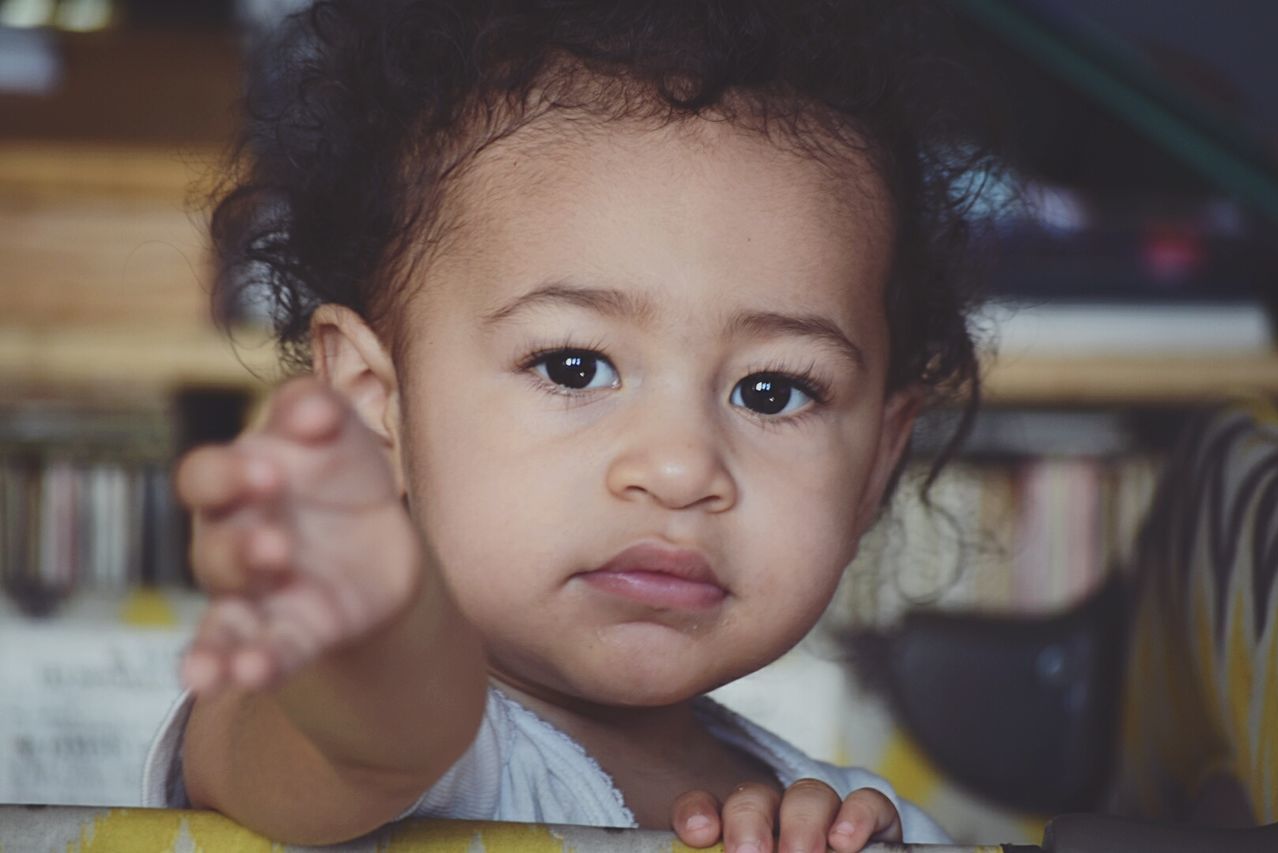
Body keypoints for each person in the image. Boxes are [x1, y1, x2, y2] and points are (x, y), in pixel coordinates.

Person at [143, 1, 992, 850]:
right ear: (373, 404)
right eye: (574, 366)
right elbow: (313, 747)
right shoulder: (421, 751)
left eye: (772, 391)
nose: (678, 467)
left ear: (880, 457)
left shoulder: (857, 821)